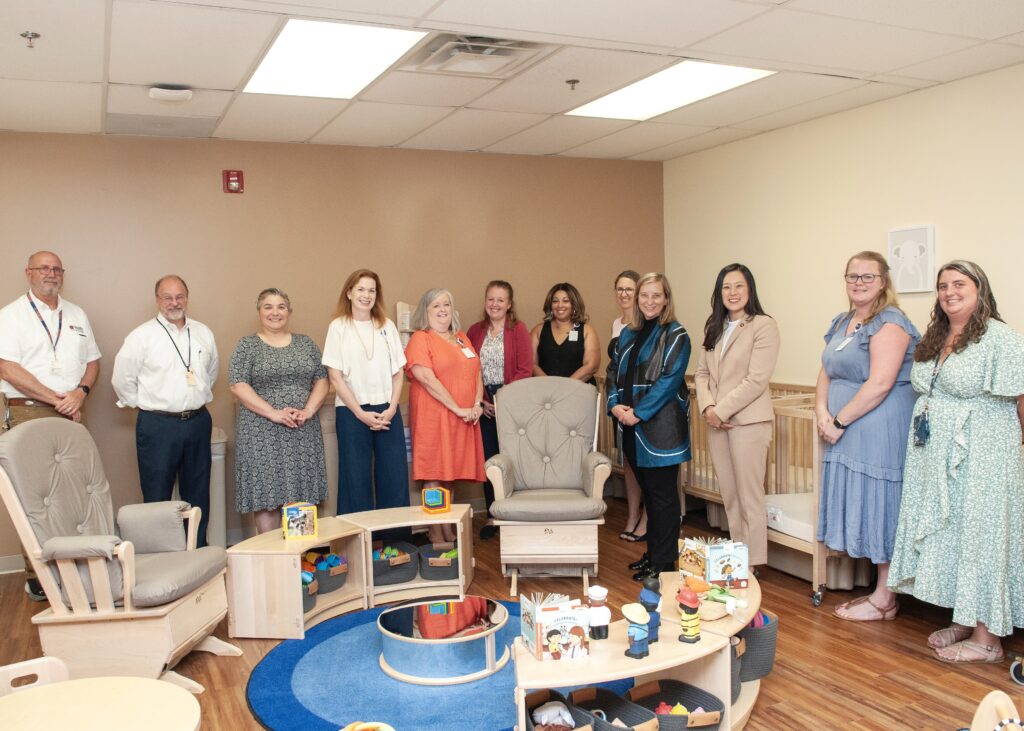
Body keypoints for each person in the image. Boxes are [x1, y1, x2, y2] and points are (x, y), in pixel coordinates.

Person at [889, 260, 1024, 664]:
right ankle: (965, 619)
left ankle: (987, 640)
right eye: (943, 285)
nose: (949, 292)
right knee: (954, 535)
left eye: (959, 284)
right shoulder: (936, 336)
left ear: (979, 289)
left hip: (984, 454)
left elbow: (1021, 398)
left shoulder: (1002, 339)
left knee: (981, 537)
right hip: (936, 454)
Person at [815, 251, 919, 621]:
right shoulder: (844, 321)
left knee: (880, 500)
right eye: (852, 276)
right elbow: (826, 370)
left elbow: (880, 383)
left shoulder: (890, 322)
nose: (859, 282)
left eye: (867, 277)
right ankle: (878, 592)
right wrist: (821, 411)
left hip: (877, 423)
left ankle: (886, 596)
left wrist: (839, 421)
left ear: (884, 282)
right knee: (864, 498)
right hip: (845, 425)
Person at [0, 250, 101, 601]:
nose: (51, 273)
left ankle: (78, 572)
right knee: (35, 499)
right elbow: (7, 368)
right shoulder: (10, 316)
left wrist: (80, 393)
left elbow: (93, 363)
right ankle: (39, 577)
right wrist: (53, 398)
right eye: (44, 268)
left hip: (72, 410)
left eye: (57, 268)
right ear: (28, 272)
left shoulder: (76, 314)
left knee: (74, 497)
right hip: (27, 412)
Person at [112, 275, 218, 547]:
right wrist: (151, 404)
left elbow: (211, 372)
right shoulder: (141, 336)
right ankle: (161, 556)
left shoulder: (203, 332)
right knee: (157, 494)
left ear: (187, 297)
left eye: (179, 296)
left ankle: (197, 551)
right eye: (167, 297)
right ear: (157, 300)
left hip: (197, 421)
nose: (174, 302)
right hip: (158, 424)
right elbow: (122, 380)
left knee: (198, 493)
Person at [694, 264, 779, 569]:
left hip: (748, 423)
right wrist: (707, 408)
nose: (732, 293)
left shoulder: (763, 326)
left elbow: (757, 380)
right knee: (729, 495)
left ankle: (754, 562)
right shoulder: (713, 328)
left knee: (749, 496)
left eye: (739, 286)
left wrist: (721, 409)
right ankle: (737, 559)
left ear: (750, 290)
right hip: (717, 422)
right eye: (726, 287)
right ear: (719, 293)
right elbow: (702, 373)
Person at [608, 273, 691, 582]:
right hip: (630, 424)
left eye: (656, 295)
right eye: (645, 295)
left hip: (660, 428)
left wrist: (638, 413)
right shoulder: (629, 333)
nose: (650, 301)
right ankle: (653, 555)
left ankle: (665, 564)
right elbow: (614, 371)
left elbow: (669, 381)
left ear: (666, 298)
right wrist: (615, 404)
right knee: (649, 495)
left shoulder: (676, 334)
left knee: (663, 497)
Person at [229, 288, 328, 534]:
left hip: (302, 429)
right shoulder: (247, 346)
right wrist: (273, 412)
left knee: (301, 492)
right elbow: (238, 384)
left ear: (289, 311)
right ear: (259, 312)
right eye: (268, 307)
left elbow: (322, 379)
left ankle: (299, 559)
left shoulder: (306, 343)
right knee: (267, 496)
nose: (275, 312)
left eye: (281, 306)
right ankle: (273, 562)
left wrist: (307, 410)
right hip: (262, 431)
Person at [322, 270, 409, 520]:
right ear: (349, 293)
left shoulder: (387, 326)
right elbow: (335, 377)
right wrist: (360, 413)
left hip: (386, 410)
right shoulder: (338, 327)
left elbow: (398, 372)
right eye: (360, 289)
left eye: (371, 290)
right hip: (351, 411)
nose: (366, 295)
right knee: (355, 480)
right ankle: (356, 544)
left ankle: (397, 547)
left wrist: (392, 408)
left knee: (394, 478)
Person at [405, 288, 485, 543]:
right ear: (425, 312)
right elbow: (426, 378)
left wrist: (476, 404)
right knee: (434, 474)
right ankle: (436, 533)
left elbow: (476, 372)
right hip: (435, 415)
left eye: (446, 305)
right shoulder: (421, 338)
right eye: (435, 306)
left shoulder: (461, 338)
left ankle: (448, 526)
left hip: (463, 416)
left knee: (451, 474)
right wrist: (457, 408)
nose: (442, 310)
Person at [466, 280, 532, 539]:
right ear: (485, 301)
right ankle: (494, 516)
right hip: (483, 404)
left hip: (512, 402)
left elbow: (525, 369)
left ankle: (516, 515)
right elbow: (469, 370)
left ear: (509, 304)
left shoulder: (519, 330)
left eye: (500, 300)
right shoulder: (474, 331)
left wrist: (503, 400)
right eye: (491, 299)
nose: (495, 304)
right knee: (490, 462)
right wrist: (482, 403)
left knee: (513, 460)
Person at [609, 270, 647, 543]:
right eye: (620, 289)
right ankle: (632, 514)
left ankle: (648, 517)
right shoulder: (616, 325)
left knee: (646, 464)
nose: (624, 294)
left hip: (642, 406)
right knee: (630, 464)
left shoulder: (647, 323)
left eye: (629, 289)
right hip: (620, 405)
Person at [531, 282, 600, 385]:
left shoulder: (588, 331)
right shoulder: (538, 330)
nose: (560, 305)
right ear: (550, 304)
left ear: (574, 304)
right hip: (545, 392)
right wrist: (548, 385)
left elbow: (591, 366)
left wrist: (565, 387)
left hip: (578, 392)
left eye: (566, 301)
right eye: (555, 301)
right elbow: (530, 364)